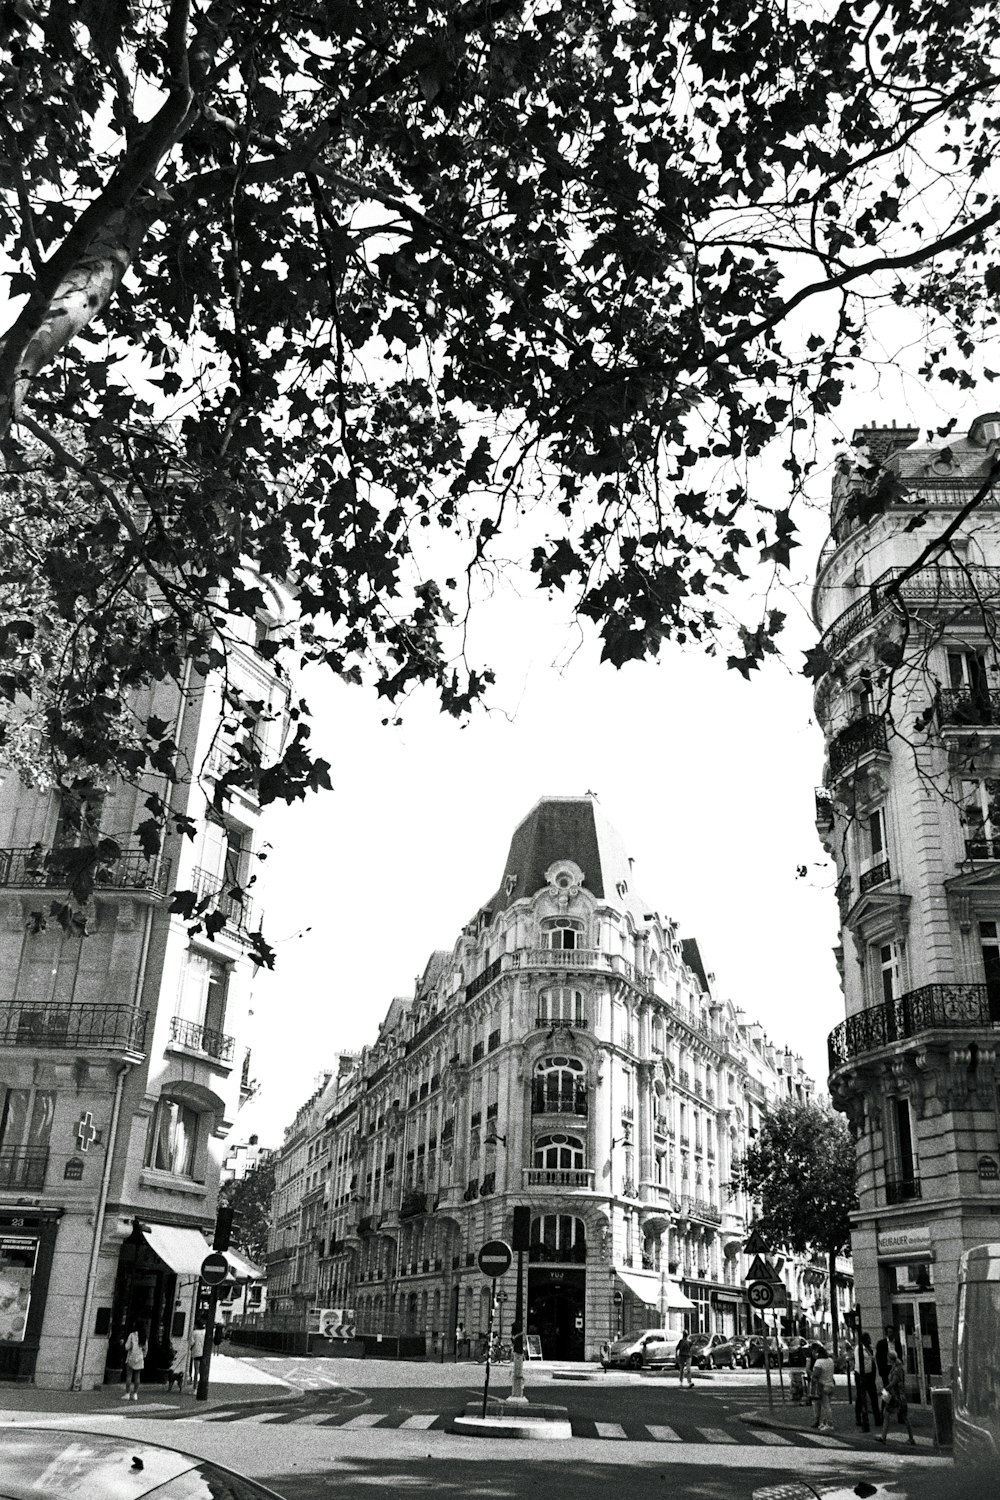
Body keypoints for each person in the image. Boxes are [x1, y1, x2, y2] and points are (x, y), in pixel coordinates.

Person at [876, 1347, 916, 1446]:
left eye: (888, 1357)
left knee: (895, 1415)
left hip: (896, 1396)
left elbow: (893, 1383)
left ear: (890, 1358)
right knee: (889, 1414)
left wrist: (884, 1390)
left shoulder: (896, 1369)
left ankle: (910, 1438)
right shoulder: (897, 1367)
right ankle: (884, 1437)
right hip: (897, 1395)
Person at [855, 1332, 881, 1427]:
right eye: (868, 1339)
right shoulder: (859, 1349)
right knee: (861, 1397)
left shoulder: (869, 1348)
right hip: (861, 1375)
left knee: (873, 1396)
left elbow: (872, 1360)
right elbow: (860, 1362)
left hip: (870, 1375)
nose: (869, 1341)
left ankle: (877, 1419)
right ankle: (859, 1418)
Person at [810, 1344, 836, 1432]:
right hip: (830, 1384)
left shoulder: (819, 1362)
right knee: (827, 1405)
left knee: (825, 1406)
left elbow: (816, 1375)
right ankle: (825, 1423)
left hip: (822, 1385)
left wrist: (812, 1380)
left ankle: (829, 1423)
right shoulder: (830, 1360)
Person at [122, 1321, 147, 1402]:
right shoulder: (144, 1336)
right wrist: (143, 1355)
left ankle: (127, 1393)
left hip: (131, 1357)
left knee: (129, 1375)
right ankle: (135, 1394)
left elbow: (127, 1346)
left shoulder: (132, 1335)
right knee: (137, 1376)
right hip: (140, 1358)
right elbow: (145, 1348)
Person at [189, 1321, 206, 1385]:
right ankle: (201, 1385)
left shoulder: (194, 1332)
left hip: (197, 1353)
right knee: (202, 1370)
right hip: (204, 1353)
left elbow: (191, 1343)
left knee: (196, 1370)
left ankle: (195, 1386)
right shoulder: (205, 1332)